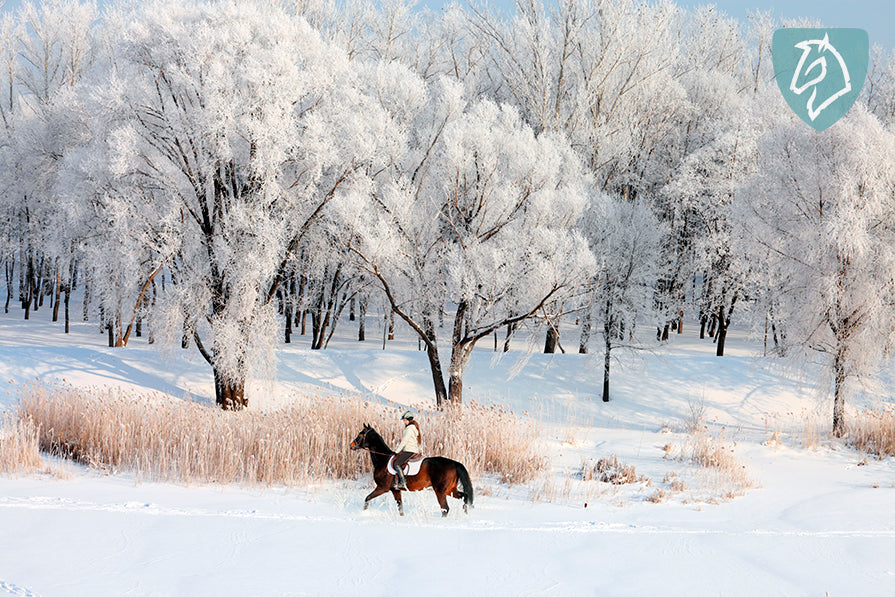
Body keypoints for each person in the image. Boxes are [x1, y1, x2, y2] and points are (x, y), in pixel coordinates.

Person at [392, 410, 421, 490]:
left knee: (396, 464)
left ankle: (402, 482)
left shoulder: (409, 429)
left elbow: (404, 441)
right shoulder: (412, 428)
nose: (404, 422)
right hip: (411, 449)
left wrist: (397, 451)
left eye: (405, 420)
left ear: (409, 420)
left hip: (409, 450)